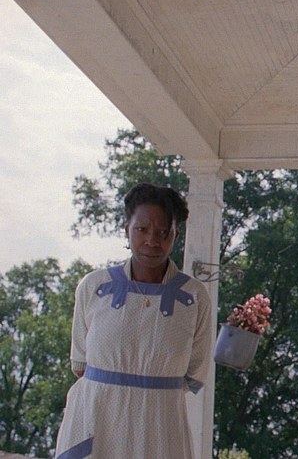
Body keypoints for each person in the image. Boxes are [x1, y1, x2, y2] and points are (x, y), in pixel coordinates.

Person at [55, 183, 213, 459]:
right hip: (96, 424)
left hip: (161, 429)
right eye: (142, 229)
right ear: (126, 228)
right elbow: (81, 364)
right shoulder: (94, 287)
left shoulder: (194, 297)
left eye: (163, 232)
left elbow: (195, 374)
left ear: (176, 234)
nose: (152, 240)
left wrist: (149, 393)